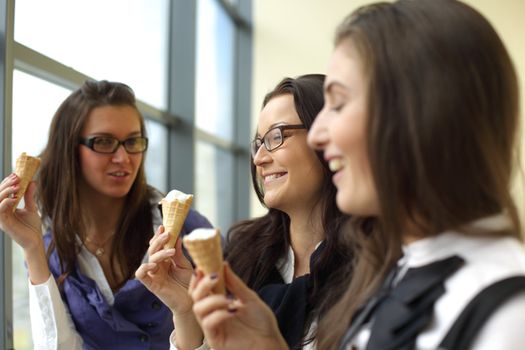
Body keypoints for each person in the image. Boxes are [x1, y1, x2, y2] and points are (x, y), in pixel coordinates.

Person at [186, 1, 525, 350]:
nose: (320, 135)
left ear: (416, 114)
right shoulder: (404, 270)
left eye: (339, 104)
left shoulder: (506, 314)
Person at [136, 74, 354, 350]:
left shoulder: (371, 266)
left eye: (277, 136)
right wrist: (187, 311)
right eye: (258, 143)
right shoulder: (243, 256)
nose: (260, 158)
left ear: (326, 137)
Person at [0, 80, 212, 349]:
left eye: (132, 141)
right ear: (70, 151)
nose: (123, 157)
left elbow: (225, 337)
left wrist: (186, 312)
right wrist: (31, 249)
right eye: (104, 142)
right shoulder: (50, 244)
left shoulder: (190, 232)